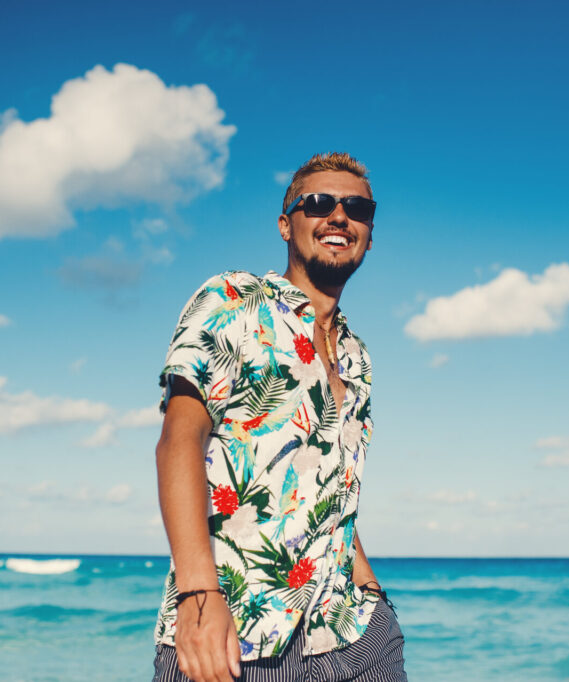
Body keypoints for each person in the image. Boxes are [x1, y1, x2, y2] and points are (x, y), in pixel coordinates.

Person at [152, 152, 407, 682]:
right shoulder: (234, 302)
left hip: (355, 636)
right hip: (237, 641)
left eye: (356, 208)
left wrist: (371, 591)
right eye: (318, 203)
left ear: (369, 234)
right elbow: (180, 441)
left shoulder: (355, 354)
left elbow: (332, 484)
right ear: (286, 225)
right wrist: (198, 596)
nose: (339, 216)